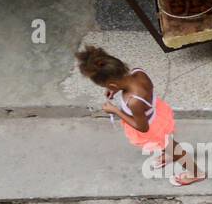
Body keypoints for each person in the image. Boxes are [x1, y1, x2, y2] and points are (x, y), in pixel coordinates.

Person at [75, 46, 201, 186]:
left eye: (108, 86)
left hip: (151, 126)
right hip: (157, 113)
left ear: (112, 84)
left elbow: (142, 127)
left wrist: (116, 111)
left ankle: (196, 173)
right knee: (168, 144)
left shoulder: (134, 101)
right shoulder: (138, 73)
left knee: (173, 148)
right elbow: (139, 90)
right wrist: (115, 89)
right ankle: (170, 153)